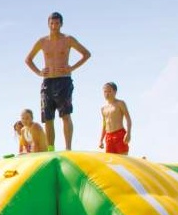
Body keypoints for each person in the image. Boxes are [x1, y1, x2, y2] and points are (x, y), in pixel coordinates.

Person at [25, 12, 92, 151]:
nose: (54, 26)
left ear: (61, 24)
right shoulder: (42, 42)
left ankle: (68, 148)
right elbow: (28, 59)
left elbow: (86, 54)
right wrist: (38, 72)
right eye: (52, 23)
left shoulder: (68, 39)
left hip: (63, 80)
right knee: (48, 118)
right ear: (48, 24)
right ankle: (51, 149)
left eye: (57, 23)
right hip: (47, 81)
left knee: (65, 115)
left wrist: (72, 67)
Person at [99, 82, 134, 155]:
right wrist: (101, 140)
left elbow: (128, 119)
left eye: (109, 91)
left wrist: (128, 133)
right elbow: (104, 125)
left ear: (115, 92)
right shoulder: (103, 108)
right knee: (111, 161)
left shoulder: (120, 103)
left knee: (123, 160)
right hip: (108, 137)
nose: (107, 94)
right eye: (105, 92)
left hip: (119, 135)